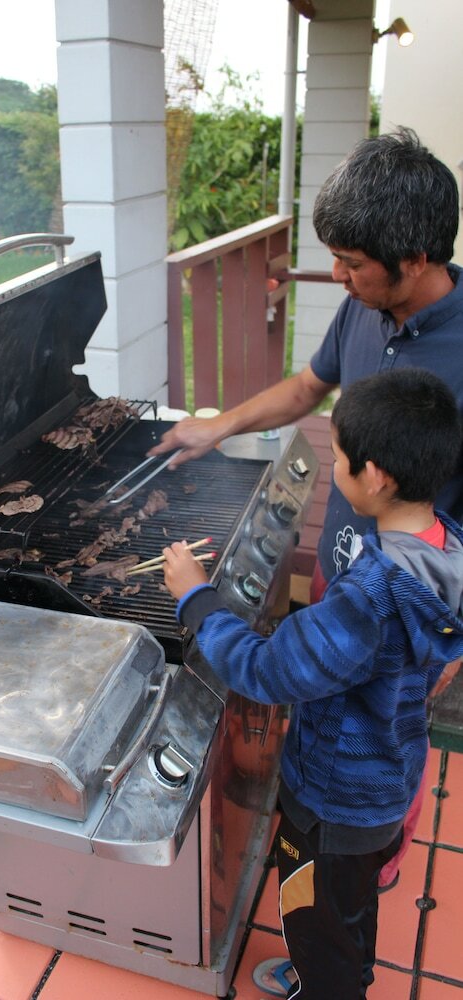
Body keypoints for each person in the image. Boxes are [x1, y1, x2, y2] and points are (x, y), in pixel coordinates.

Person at [150, 126, 463, 888]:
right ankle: (332, 836)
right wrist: (216, 426)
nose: (337, 275)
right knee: (339, 719)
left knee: (392, 731)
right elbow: (307, 386)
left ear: (413, 260)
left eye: (351, 264)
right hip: (345, 577)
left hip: (422, 599)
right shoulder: (364, 304)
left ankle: (368, 857)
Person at [161, 369, 463, 1000]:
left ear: (376, 477)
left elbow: (266, 671)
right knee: (349, 905)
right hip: (388, 775)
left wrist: (195, 597)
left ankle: (327, 984)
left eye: (342, 459)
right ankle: (344, 971)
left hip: (333, 798)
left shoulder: (371, 600)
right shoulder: (448, 550)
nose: (336, 466)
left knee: (311, 908)